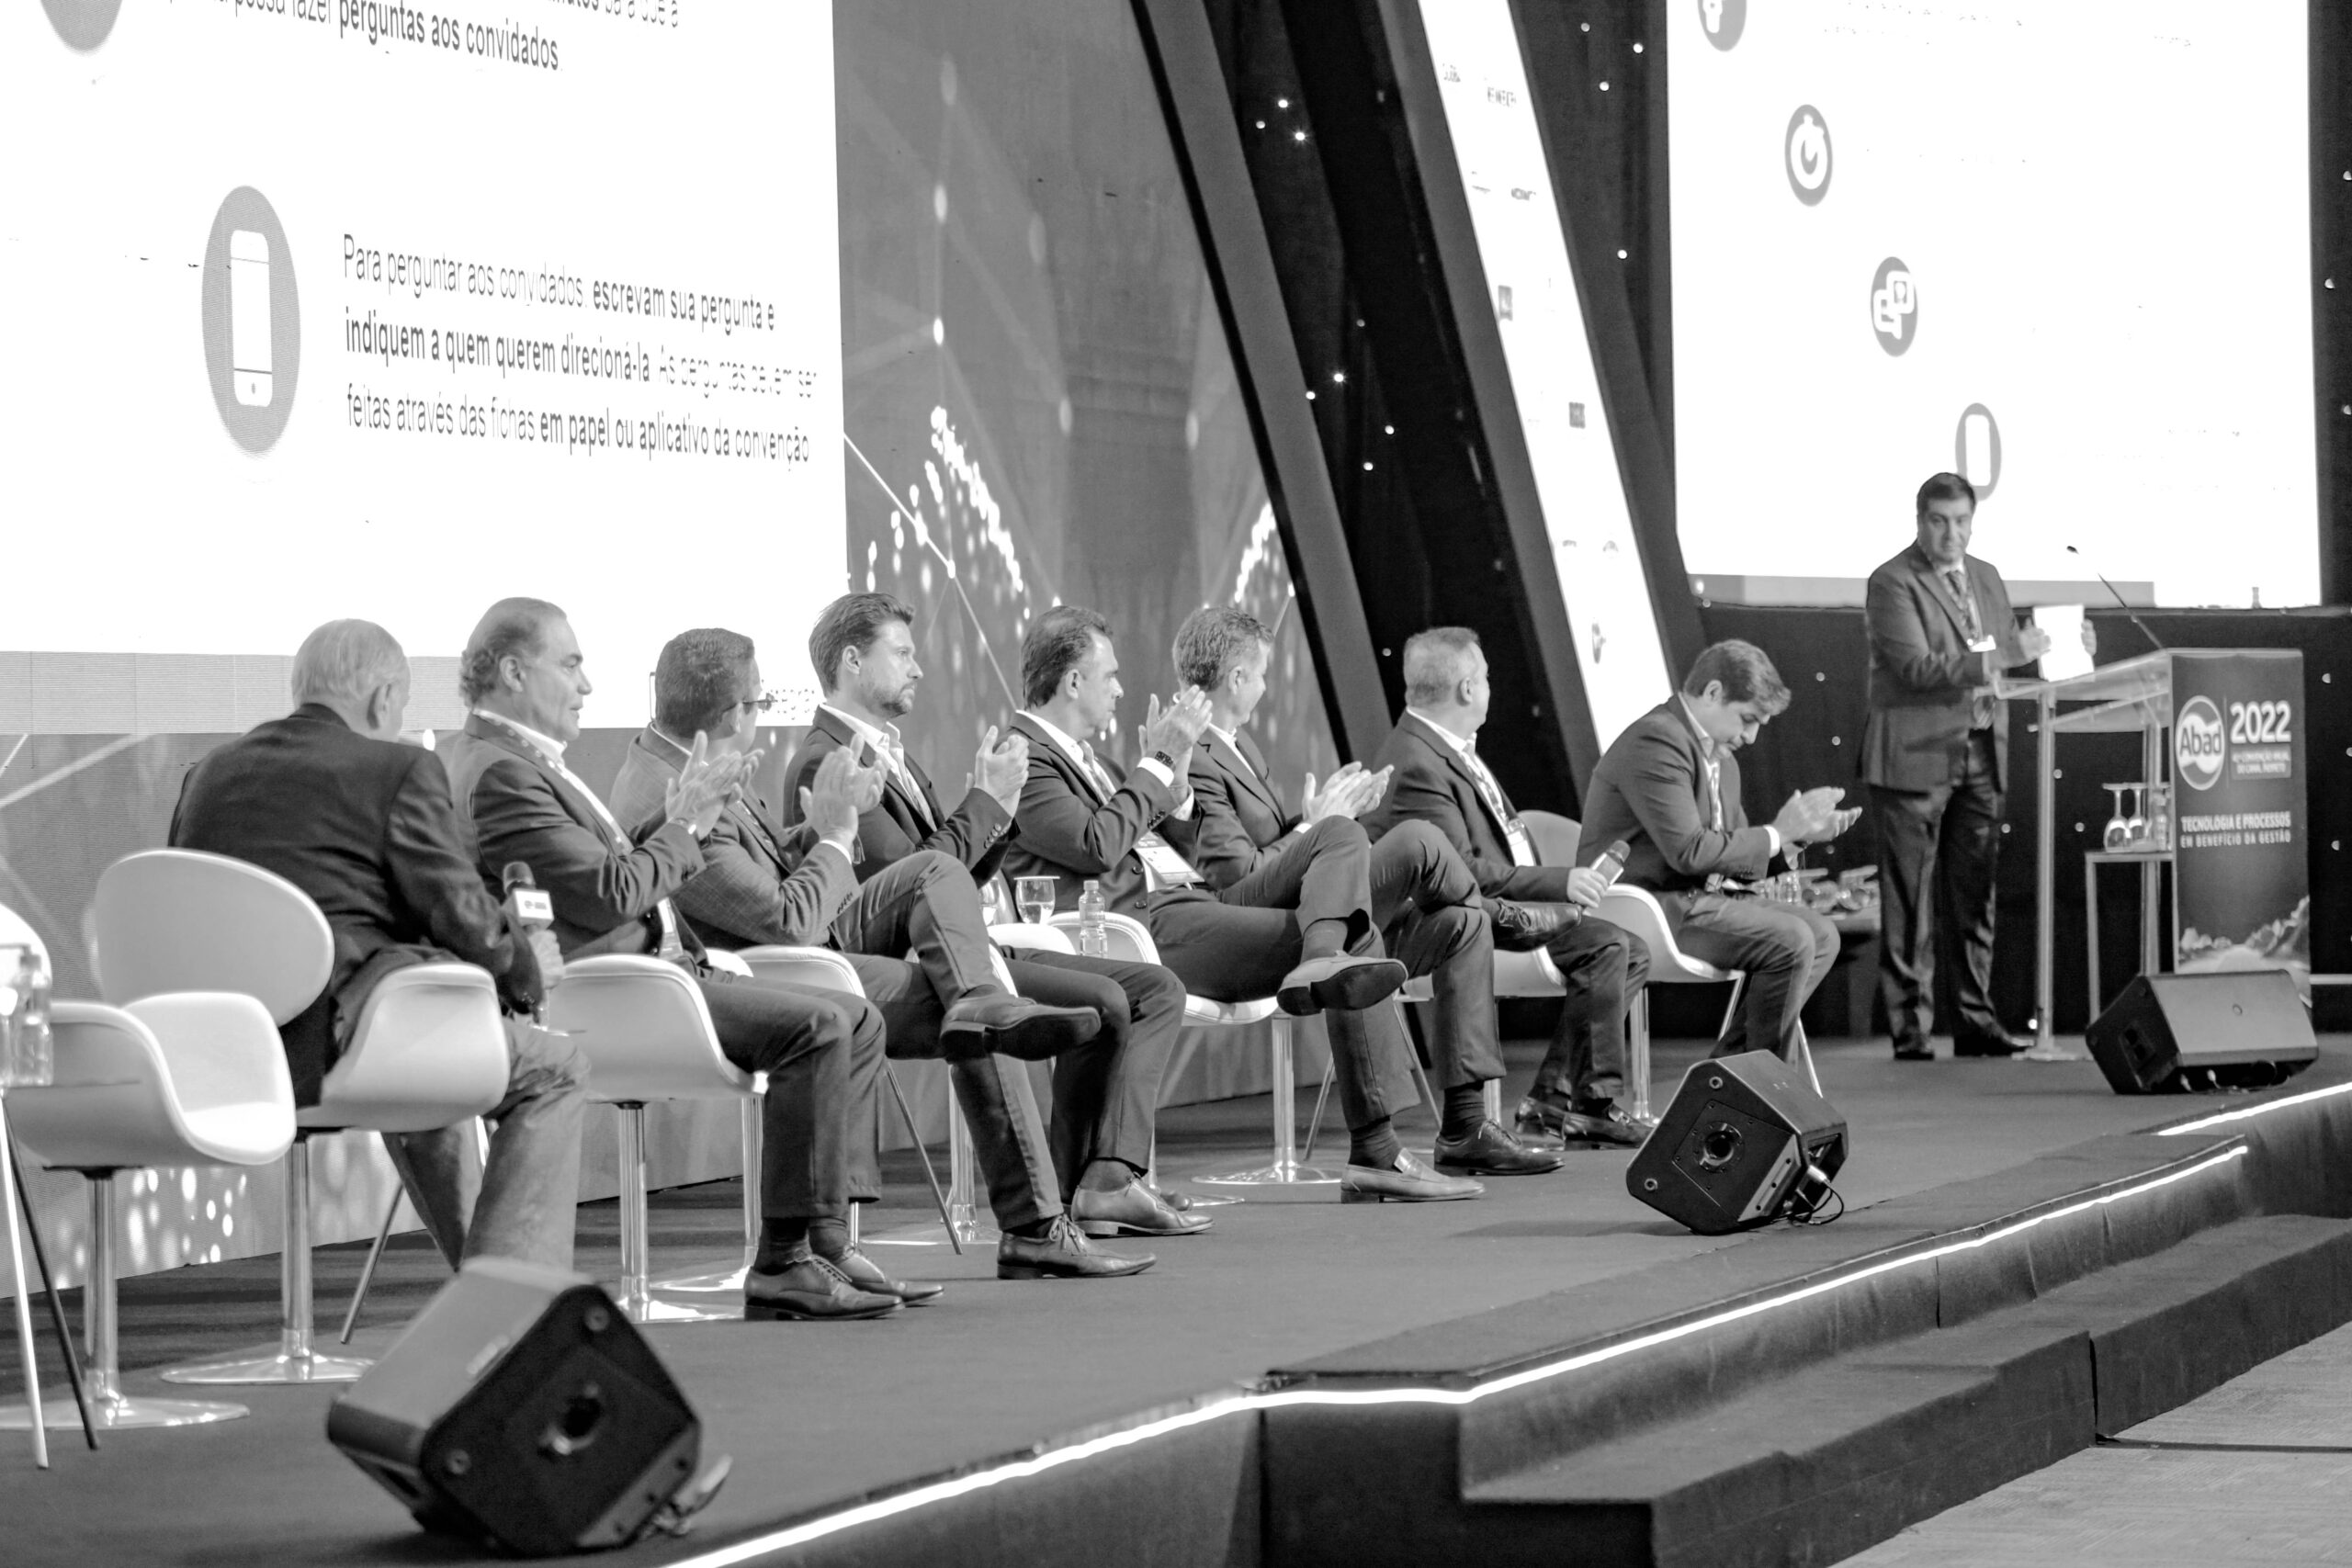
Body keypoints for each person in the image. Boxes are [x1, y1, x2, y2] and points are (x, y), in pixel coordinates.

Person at [614, 626, 1161, 1278]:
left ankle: (987, 1024)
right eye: (762, 701)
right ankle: (1030, 1225)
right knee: (979, 1008)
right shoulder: (674, 791)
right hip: (778, 969)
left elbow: (772, 866)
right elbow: (786, 921)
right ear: (736, 712)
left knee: (955, 931)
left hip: (813, 938)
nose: (763, 713)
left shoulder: (692, 763)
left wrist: (818, 828)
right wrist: (837, 834)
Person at [436, 597, 905, 1322]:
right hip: (616, 994)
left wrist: (684, 814)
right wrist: (685, 821)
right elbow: (607, 893)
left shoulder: (518, 759)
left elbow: (608, 866)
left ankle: (825, 1244)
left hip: (659, 975)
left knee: (850, 1014)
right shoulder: (501, 771)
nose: (587, 684)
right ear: (513, 673)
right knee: (817, 1026)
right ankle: (787, 1261)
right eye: (571, 664)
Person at [999, 604, 1482, 1203]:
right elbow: (1097, 845)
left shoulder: (1090, 758)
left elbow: (1165, 843)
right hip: (1136, 930)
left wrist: (1173, 783)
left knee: (1342, 849)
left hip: (1179, 909)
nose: (1121, 689)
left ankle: (1332, 986)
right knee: (1351, 913)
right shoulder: (1025, 756)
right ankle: (1376, 1148)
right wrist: (1158, 763)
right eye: (1111, 675)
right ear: (1074, 681)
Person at [168, 619, 584, 1270]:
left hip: (214, 1046)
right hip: (329, 1041)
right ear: (384, 698)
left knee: (434, 1059)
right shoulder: (396, 769)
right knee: (556, 1068)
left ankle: (486, 1284)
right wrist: (528, 972)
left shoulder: (208, 774)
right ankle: (513, 1297)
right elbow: (462, 916)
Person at [783, 595, 1203, 1239]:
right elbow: (908, 880)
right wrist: (984, 803)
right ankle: (1065, 1202)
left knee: (1143, 990)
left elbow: (948, 879)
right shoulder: (828, 758)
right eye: (902, 653)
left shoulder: (889, 752)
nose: (918, 668)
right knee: (1092, 1001)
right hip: (905, 964)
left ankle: (1097, 1184)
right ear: (851, 660)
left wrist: (996, 816)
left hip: (959, 945)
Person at [1159, 606, 1561, 1176]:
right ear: (1237, 678)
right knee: (1416, 839)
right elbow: (1237, 879)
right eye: (1264, 674)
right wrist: (1315, 827)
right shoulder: (1197, 754)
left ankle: (1466, 1126)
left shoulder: (1238, 745)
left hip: (1311, 906)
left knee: (1460, 924)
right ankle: (1501, 914)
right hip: (1250, 922)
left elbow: (1275, 850)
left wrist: (1312, 819)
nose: (1267, 686)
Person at [1362, 626, 1656, 1147]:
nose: (1490, 687)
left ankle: (1557, 1098)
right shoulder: (1417, 762)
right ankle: (1586, 1104)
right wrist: (1561, 881)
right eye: (1486, 677)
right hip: (1463, 919)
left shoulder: (1446, 746)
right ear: (1467, 688)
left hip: (1505, 904)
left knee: (1629, 949)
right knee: (1609, 945)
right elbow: (1460, 874)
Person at [1863, 472, 2090, 1061]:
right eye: (1940, 522)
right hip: (1914, 757)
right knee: (1910, 904)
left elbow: (2010, 655)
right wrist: (2008, 652)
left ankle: (1974, 1021)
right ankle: (1911, 1032)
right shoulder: (1892, 581)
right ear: (1920, 521)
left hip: (1983, 750)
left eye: (1962, 521)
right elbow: (1918, 668)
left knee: (1975, 896)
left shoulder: (1985, 575)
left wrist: (2064, 646)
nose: (1952, 534)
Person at [1579, 640, 1852, 1061]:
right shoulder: (1657, 739)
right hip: (1646, 905)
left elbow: (1732, 854)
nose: (1751, 736)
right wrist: (1778, 831)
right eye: (1747, 719)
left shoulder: (1722, 759)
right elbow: (1689, 851)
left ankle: (1729, 1077)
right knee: (1793, 939)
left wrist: (1796, 838)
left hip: (1694, 899)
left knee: (1822, 935)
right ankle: (1749, 1083)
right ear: (1712, 693)